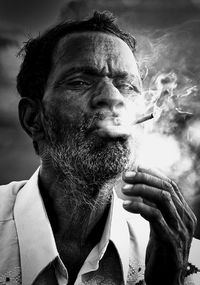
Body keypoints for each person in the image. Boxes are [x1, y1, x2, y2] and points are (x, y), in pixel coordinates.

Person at [0, 11, 199, 285]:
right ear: (34, 119)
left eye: (127, 85)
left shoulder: (186, 260)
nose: (112, 98)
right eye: (80, 81)